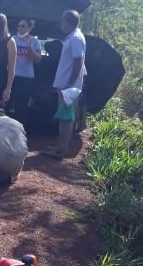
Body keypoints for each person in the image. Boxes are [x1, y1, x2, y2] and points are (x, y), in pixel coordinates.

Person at [45, 10, 86, 159]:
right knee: (63, 116)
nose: (61, 24)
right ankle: (59, 145)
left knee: (66, 118)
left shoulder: (75, 38)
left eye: (63, 21)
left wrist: (70, 84)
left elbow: (78, 61)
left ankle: (61, 149)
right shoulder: (73, 37)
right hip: (66, 86)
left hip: (69, 87)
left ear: (68, 22)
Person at [10, 18, 42, 125]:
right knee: (9, 104)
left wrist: (29, 47)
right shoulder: (13, 39)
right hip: (12, 76)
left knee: (21, 106)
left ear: (29, 28)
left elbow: (38, 60)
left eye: (23, 26)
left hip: (26, 79)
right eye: (18, 26)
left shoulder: (35, 41)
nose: (20, 28)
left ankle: (21, 130)